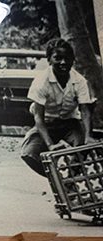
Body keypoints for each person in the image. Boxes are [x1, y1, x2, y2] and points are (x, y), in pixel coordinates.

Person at [21, 39, 94, 179]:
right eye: (57, 58)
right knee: (29, 154)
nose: (63, 62)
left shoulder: (79, 81)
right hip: (46, 124)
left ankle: (70, 180)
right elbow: (38, 117)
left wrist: (88, 136)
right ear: (49, 60)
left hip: (70, 123)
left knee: (82, 148)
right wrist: (49, 144)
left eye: (67, 58)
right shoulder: (41, 81)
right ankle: (57, 179)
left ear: (73, 60)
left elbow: (85, 110)